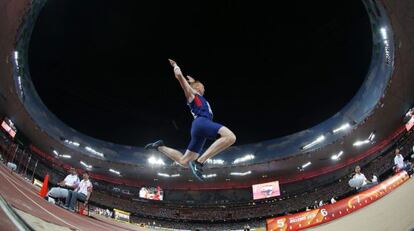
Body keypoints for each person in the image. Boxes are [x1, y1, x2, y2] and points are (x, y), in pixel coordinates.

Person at [145, 59, 236, 181]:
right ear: (198, 88)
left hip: (200, 129)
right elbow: (180, 78)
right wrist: (176, 66)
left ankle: (160, 147)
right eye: (203, 87)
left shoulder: (199, 97)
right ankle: (199, 162)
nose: (204, 89)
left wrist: (193, 82)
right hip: (202, 123)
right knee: (230, 137)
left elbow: (194, 87)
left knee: (184, 161)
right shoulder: (192, 94)